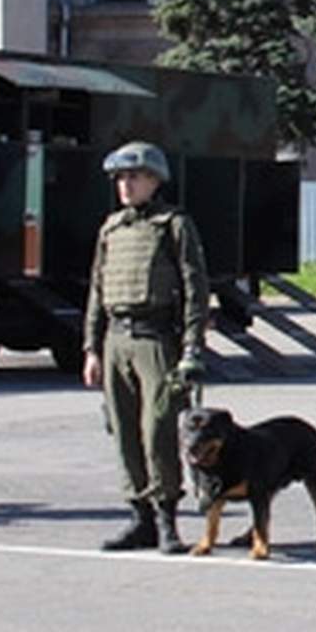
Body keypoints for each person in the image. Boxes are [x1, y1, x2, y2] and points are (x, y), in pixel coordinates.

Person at [81, 141, 209, 554]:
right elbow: (97, 289)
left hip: (156, 338)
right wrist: (91, 348)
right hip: (116, 338)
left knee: (158, 432)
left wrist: (192, 347)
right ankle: (139, 518)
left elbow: (195, 288)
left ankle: (166, 519)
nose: (125, 185)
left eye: (133, 177)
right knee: (123, 431)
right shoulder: (111, 228)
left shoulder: (173, 225)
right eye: (120, 178)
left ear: (155, 180)